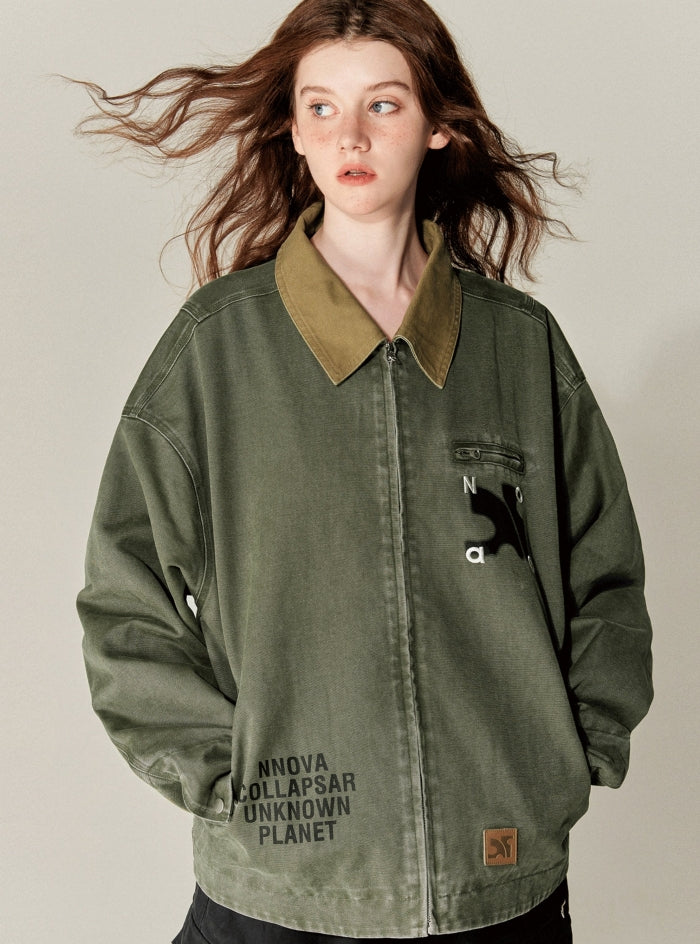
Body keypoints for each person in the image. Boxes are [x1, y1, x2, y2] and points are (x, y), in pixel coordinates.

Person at [76, 1, 653, 941]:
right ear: (295, 131)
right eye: (322, 107)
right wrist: (229, 783)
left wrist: (561, 756)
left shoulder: (519, 348)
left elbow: (606, 575)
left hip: (499, 884)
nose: (351, 135)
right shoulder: (216, 351)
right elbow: (123, 598)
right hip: (281, 895)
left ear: (438, 126)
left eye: (383, 104)